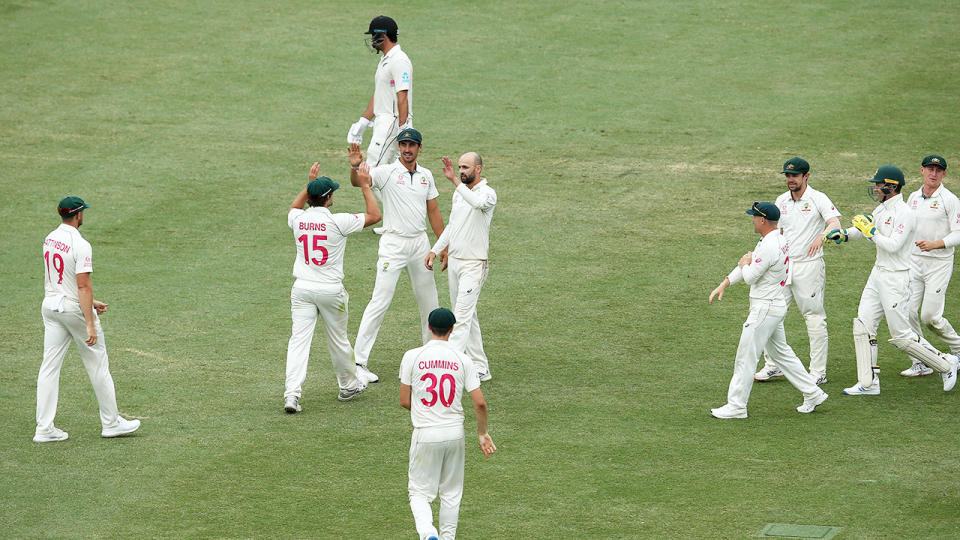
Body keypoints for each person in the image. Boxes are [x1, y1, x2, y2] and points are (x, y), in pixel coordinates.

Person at [825, 165, 959, 394]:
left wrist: (871, 233)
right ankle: (869, 383)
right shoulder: (883, 209)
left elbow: (894, 246)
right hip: (878, 274)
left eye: (879, 185)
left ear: (892, 187)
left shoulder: (905, 213)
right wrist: (846, 234)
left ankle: (946, 363)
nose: (876, 188)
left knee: (902, 336)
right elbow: (864, 227)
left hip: (896, 279)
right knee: (864, 325)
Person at [708, 202, 828, 419]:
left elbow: (751, 275)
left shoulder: (770, 245)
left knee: (746, 357)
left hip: (764, 310)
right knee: (782, 354)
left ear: (762, 220)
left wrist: (745, 264)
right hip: (773, 307)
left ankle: (736, 406)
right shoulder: (774, 239)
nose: (752, 220)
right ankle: (813, 393)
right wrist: (725, 283)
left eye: (754, 217)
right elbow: (752, 262)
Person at [35, 196, 141, 442]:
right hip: (73, 309)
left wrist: (91, 302)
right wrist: (90, 321)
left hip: (51, 306)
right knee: (97, 364)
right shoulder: (80, 244)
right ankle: (111, 423)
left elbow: (59, 279)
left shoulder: (50, 238)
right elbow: (82, 285)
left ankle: (44, 428)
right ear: (79, 215)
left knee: (49, 367)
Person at [348, 128, 445, 384]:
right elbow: (360, 181)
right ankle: (358, 363)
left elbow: (433, 211)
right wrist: (355, 167)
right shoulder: (388, 172)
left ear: (419, 148)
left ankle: (431, 357)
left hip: (420, 244)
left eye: (411, 145)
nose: (407, 149)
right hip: (393, 243)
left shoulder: (426, 176)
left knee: (429, 300)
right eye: (403, 144)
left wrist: (443, 244)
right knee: (380, 300)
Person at [283, 163, 381, 412]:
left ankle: (292, 394)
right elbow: (374, 216)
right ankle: (348, 385)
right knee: (338, 340)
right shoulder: (339, 222)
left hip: (302, 289)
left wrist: (309, 185)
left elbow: (294, 207)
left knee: (298, 342)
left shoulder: (299, 219)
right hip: (330, 291)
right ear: (328, 198)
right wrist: (366, 186)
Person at [400, 308, 496, 540]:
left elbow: (404, 401)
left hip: (425, 433)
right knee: (451, 493)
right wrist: (482, 433)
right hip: (455, 433)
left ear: (429, 327)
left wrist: (427, 411)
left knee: (419, 493)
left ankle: (427, 533)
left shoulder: (412, 356)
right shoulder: (463, 360)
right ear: (452, 330)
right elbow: (480, 403)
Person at [755, 158, 841, 385]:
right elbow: (775, 231)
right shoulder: (781, 200)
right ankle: (773, 366)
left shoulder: (818, 198)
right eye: (787, 176)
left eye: (794, 176)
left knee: (813, 317)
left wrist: (822, 237)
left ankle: (818, 371)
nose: (790, 180)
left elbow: (835, 223)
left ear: (806, 176)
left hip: (809, 266)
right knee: (771, 314)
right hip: (784, 267)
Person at [425, 153, 497, 381]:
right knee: (468, 314)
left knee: (461, 317)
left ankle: (450, 368)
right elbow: (453, 226)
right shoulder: (460, 194)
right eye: (459, 168)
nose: (462, 171)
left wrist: (455, 180)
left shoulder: (488, 194)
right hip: (455, 262)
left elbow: (476, 203)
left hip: (474, 265)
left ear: (479, 169)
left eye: (466, 167)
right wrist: (436, 249)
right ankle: (480, 367)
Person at [900, 155, 960, 377]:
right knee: (908, 312)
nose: (933, 173)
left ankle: (958, 346)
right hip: (914, 262)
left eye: (938, 170)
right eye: (929, 169)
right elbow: (906, 225)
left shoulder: (950, 200)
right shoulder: (914, 197)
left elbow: (959, 232)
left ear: (944, 174)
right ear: (922, 171)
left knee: (930, 317)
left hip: (939, 264)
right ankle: (921, 361)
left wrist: (936, 244)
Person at [346, 15, 413, 167]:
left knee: (372, 173)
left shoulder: (399, 60)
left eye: (373, 36)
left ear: (383, 36)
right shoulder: (386, 60)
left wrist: (403, 130)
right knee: (387, 177)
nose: (371, 40)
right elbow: (380, 94)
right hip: (384, 122)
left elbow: (402, 96)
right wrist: (363, 122)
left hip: (392, 122)